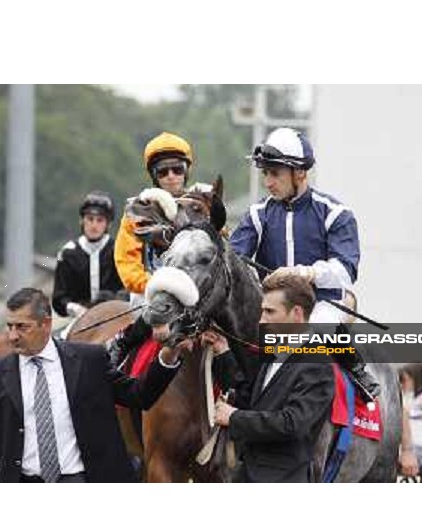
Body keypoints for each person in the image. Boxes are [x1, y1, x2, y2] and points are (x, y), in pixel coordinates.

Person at [0, 288, 187, 483]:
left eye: (22, 327)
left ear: (46, 325)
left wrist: (168, 356)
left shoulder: (89, 361)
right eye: (10, 327)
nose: (13, 336)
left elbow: (139, 396)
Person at [229, 127, 377, 401]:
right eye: (266, 173)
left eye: (275, 174)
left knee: (313, 338)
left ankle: (357, 375)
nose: (268, 182)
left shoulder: (336, 213)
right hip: (272, 307)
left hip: (322, 303)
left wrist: (304, 273)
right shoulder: (257, 214)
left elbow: (346, 271)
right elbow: (233, 261)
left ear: (300, 173)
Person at [214, 271, 335, 483]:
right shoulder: (273, 354)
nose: (261, 321)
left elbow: (292, 423)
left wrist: (234, 418)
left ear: (297, 314)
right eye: (262, 312)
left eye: (270, 312)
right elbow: (252, 404)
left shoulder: (317, 363)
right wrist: (222, 354)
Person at [110, 132, 195, 364]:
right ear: (153, 175)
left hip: (197, 293)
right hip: (150, 293)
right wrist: (157, 288)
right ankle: (122, 344)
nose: (171, 177)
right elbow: (127, 264)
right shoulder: (137, 212)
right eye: (163, 171)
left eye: (177, 169)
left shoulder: (201, 207)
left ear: (186, 171)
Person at [52, 191, 125, 320]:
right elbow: (58, 299)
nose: (94, 225)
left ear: (108, 224)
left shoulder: (119, 250)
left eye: (100, 220)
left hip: (114, 317)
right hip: (77, 319)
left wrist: (114, 299)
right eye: (90, 219)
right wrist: (75, 308)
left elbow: (128, 289)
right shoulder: (68, 253)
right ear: (82, 221)